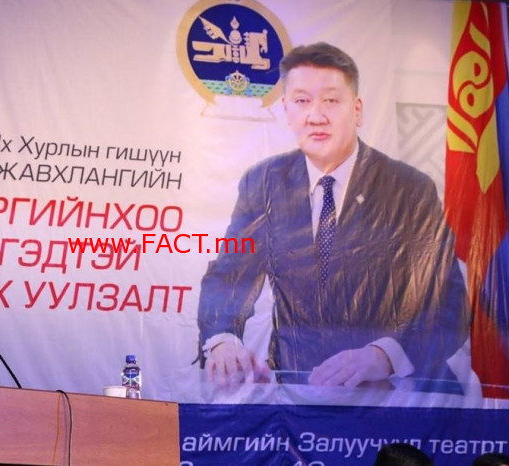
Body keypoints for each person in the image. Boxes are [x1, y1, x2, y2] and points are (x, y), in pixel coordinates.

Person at [197, 42, 470, 389]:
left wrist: (385, 355)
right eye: (302, 101)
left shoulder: (410, 188)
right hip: (298, 387)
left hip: (392, 392)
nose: (316, 116)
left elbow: (449, 302)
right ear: (286, 110)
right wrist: (223, 340)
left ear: (357, 110)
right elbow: (228, 275)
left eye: (330, 100)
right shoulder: (264, 182)